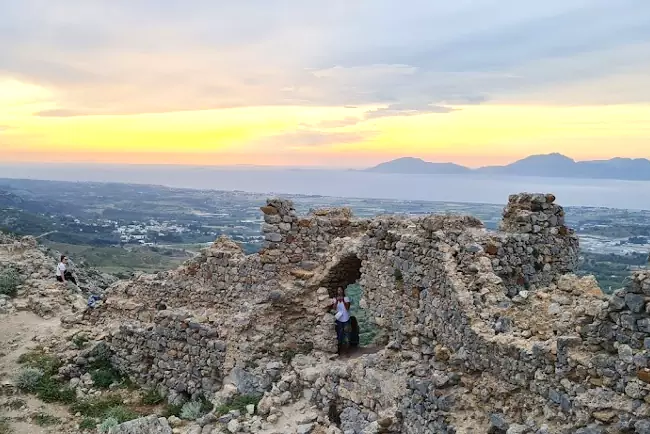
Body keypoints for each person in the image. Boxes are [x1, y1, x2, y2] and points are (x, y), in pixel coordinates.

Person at [330, 287, 351, 354]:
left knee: (347, 335)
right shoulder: (334, 299)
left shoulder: (346, 298)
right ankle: (339, 350)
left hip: (346, 319)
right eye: (338, 290)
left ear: (343, 291)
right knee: (339, 334)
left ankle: (347, 351)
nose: (340, 291)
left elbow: (347, 308)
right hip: (339, 319)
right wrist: (336, 301)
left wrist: (343, 301)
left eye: (341, 290)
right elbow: (334, 308)